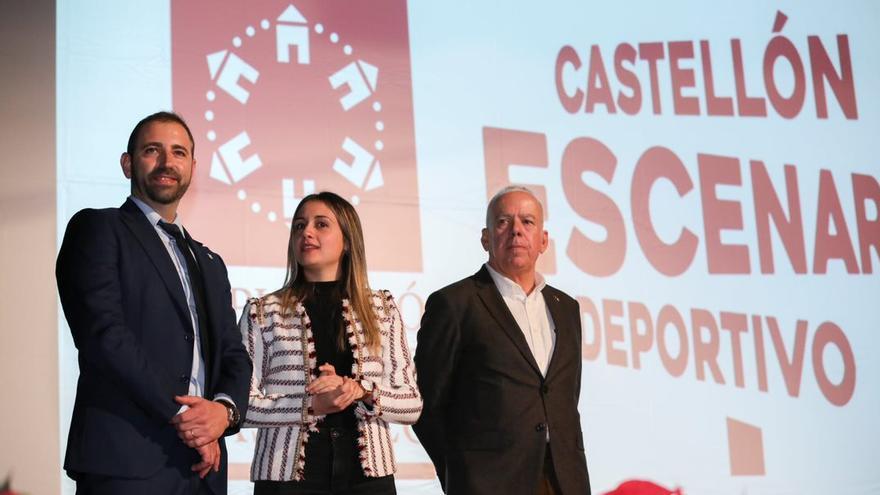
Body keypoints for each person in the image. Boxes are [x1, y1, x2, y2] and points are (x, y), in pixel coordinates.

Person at [56, 111, 252, 494]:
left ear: (192, 167)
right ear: (128, 163)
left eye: (178, 152)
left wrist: (222, 412)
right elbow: (104, 337)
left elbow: (233, 353)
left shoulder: (209, 262)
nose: (167, 162)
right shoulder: (98, 228)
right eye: (152, 150)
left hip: (203, 469)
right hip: (126, 461)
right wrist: (186, 416)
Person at [239, 191, 422, 494]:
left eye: (321, 224)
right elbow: (241, 405)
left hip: (366, 480)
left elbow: (412, 403)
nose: (307, 232)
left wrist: (362, 392)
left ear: (348, 240)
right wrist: (309, 406)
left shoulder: (382, 309)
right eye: (299, 226)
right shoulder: (262, 312)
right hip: (286, 480)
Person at [413, 186, 591, 494]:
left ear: (543, 241)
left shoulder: (567, 309)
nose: (516, 231)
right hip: (488, 482)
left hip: (564, 479)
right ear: (486, 238)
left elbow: (563, 397)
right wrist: (463, 474)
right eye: (503, 222)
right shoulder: (455, 303)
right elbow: (426, 404)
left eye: (527, 222)